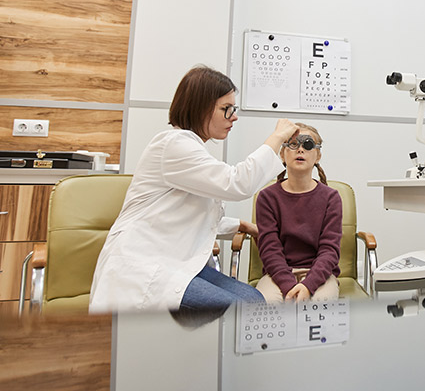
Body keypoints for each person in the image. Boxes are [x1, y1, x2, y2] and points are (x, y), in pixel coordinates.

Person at [89, 65, 298, 314]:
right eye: (226, 109)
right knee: (242, 311)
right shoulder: (173, 145)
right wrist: (276, 138)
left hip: (175, 264)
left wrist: (241, 225)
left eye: (234, 109)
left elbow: (189, 214)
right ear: (201, 107)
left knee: (253, 299)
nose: (234, 117)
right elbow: (237, 183)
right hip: (143, 268)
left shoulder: (190, 149)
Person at [254, 123, 343, 303]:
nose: (300, 149)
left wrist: (308, 285)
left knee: (321, 304)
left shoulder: (331, 198)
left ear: (318, 155)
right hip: (277, 273)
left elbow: (329, 250)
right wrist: (289, 286)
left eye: (308, 144)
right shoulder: (267, 197)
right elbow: (270, 249)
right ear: (282, 154)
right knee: (268, 304)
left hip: (319, 273)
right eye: (293, 144)